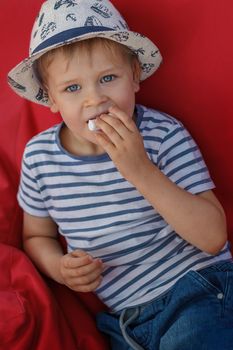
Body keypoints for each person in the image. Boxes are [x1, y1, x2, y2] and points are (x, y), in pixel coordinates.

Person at [8, 0, 233, 349]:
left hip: (196, 291)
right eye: (72, 88)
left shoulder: (162, 134)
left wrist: (141, 171)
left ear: (135, 76)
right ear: (50, 98)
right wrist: (60, 268)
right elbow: (36, 237)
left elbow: (213, 236)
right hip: (123, 322)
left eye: (108, 78)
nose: (94, 99)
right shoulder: (39, 159)